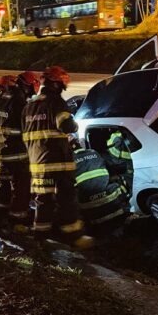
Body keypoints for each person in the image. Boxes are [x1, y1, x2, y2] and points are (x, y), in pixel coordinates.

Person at [21, 66, 92, 249]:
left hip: (37, 163)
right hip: (58, 162)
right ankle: (74, 237)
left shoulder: (29, 106)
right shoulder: (56, 102)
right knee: (67, 200)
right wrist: (74, 126)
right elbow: (67, 126)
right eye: (62, 83)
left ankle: (41, 239)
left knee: (43, 201)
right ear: (56, 83)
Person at [0, 75, 31, 234]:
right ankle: (16, 222)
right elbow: (26, 129)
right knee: (21, 187)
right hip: (14, 152)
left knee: (1, 183)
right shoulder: (18, 102)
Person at [70, 137, 129, 237]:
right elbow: (111, 172)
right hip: (114, 205)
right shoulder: (94, 153)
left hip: (91, 210)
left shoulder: (69, 162)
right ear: (80, 144)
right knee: (121, 181)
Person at [104, 131, 134, 198]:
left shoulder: (115, 136)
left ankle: (129, 194)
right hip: (125, 161)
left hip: (123, 161)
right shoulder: (119, 136)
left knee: (129, 177)